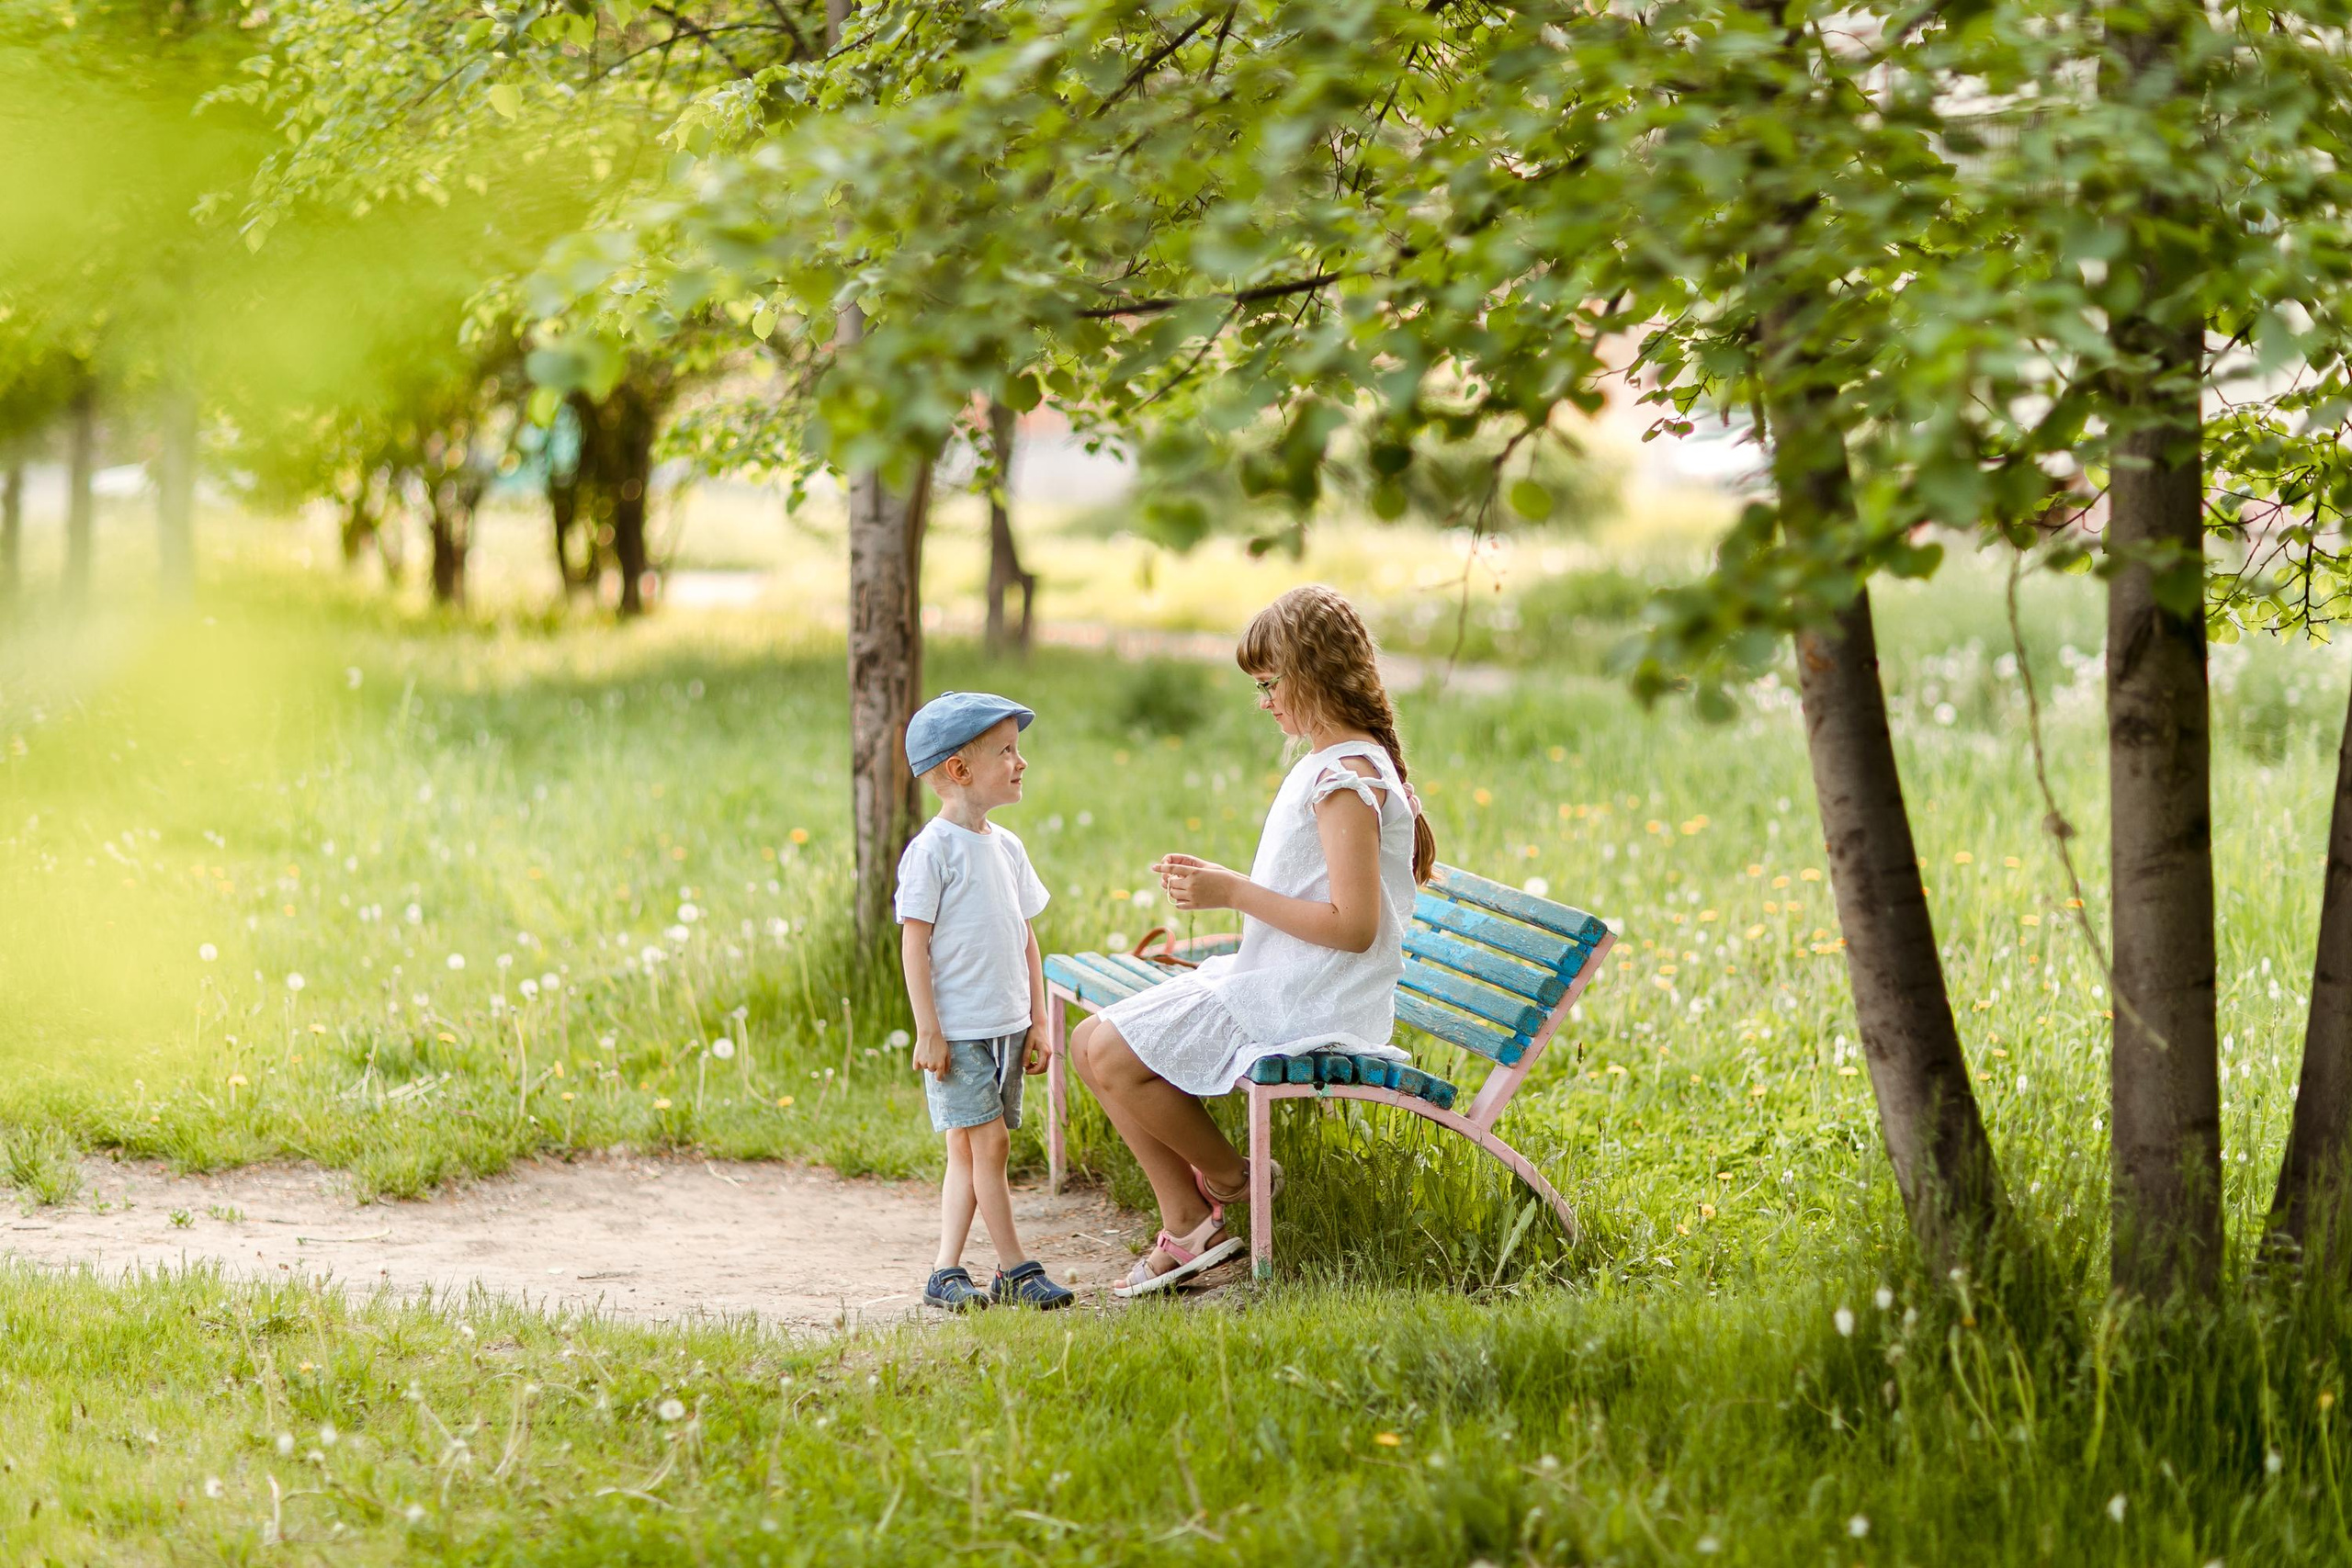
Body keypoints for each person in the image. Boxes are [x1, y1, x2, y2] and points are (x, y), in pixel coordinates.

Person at [1071, 586, 1437, 1296]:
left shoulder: (1346, 778)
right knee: (1091, 1042)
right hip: (1280, 978)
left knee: (1110, 1051)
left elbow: (1354, 927)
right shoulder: (1329, 762)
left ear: (1313, 673)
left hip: (1315, 999)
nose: (1264, 700)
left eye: (1271, 683)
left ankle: (1235, 1181)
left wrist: (1231, 891)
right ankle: (1191, 1228)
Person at [896, 691, 1076, 1312]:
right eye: (1007, 751)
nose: (1021, 762)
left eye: (1018, 750)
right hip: (959, 1032)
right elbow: (913, 947)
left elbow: (1024, 936)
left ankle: (945, 1271)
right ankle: (1016, 1269)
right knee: (991, 1147)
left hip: (1003, 1028)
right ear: (959, 771)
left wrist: (1037, 1021)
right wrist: (928, 1030)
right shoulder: (933, 851)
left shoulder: (1008, 848)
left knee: (969, 1153)